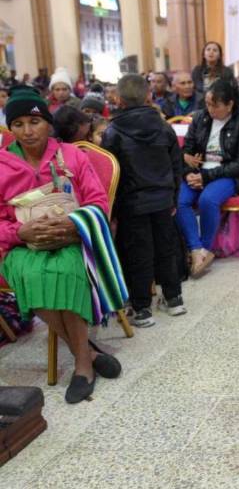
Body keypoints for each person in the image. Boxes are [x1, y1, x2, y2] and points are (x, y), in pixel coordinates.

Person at [0, 90, 121, 403]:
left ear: (47, 123)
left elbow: (97, 202)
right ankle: (88, 355)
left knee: (66, 270)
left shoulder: (72, 155)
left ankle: (82, 365)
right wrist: (20, 231)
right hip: (22, 245)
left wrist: (72, 226)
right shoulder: (2, 165)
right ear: (10, 127)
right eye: (19, 123)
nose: (28, 131)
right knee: (32, 276)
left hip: (71, 236)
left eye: (35, 121)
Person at [102, 74, 186, 327]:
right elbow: (176, 166)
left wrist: (114, 209)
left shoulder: (113, 131)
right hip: (162, 198)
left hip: (131, 203)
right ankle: (174, 299)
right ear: (148, 95)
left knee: (138, 252)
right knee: (166, 247)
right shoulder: (163, 126)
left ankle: (142, 309)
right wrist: (173, 197)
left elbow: (111, 174)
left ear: (118, 99)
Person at [177, 80, 239, 277]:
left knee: (208, 199)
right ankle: (196, 250)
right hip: (199, 172)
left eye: (215, 105)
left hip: (230, 174)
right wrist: (189, 168)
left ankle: (205, 248)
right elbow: (187, 149)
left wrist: (206, 176)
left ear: (229, 105)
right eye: (207, 104)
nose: (210, 109)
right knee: (180, 200)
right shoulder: (201, 118)